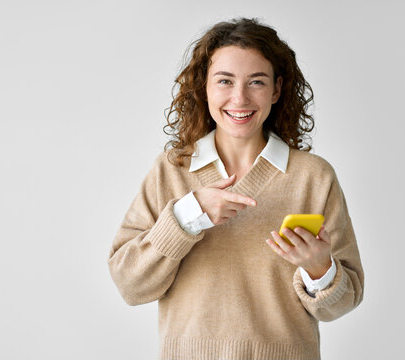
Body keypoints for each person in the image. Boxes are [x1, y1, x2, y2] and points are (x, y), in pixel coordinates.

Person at [108, 17, 364, 360]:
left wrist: (320, 269)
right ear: (205, 88)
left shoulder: (314, 177)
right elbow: (130, 285)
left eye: (256, 82)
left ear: (276, 89)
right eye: (224, 81)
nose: (239, 98)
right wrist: (188, 215)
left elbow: (341, 304)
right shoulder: (172, 170)